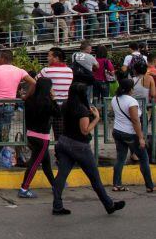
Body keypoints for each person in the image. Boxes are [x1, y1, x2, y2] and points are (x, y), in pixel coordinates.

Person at [52, 83, 125, 216]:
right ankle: (109, 205)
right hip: (80, 145)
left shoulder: (66, 105)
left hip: (64, 142)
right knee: (95, 178)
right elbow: (85, 130)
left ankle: (57, 205)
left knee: (61, 176)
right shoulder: (81, 109)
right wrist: (96, 118)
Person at [0, 50, 36, 165]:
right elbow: (34, 83)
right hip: (10, 105)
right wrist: (25, 96)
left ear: (2, 58)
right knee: (4, 132)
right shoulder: (20, 71)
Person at [18, 78, 60, 198]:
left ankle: (54, 184)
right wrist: (54, 99)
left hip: (31, 134)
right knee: (35, 163)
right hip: (42, 138)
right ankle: (24, 188)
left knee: (46, 162)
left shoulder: (30, 100)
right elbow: (58, 113)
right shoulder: (47, 102)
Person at [111, 78, 154, 192]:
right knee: (144, 158)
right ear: (130, 89)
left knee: (120, 158)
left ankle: (117, 184)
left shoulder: (115, 99)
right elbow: (135, 121)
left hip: (117, 131)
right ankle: (150, 186)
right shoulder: (131, 101)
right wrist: (140, 138)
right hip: (130, 133)